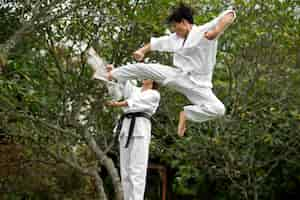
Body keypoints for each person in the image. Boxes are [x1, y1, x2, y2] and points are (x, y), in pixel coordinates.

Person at [105, 3, 236, 137]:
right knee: (146, 69)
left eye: (175, 26)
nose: (174, 30)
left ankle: (186, 114)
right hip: (179, 76)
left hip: (201, 84)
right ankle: (112, 74)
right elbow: (157, 43)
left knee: (219, 109)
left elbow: (229, 14)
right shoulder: (175, 38)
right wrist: (142, 51)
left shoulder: (202, 31)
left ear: (184, 22)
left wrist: (216, 31)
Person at [87, 50, 160, 200]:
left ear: (154, 79)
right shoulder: (135, 89)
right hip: (126, 130)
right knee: (125, 171)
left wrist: (118, 104)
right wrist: (113, 72)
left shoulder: (154, 94)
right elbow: (121, 87)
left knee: (137, 170)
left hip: (140, 130)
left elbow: (132, 103)